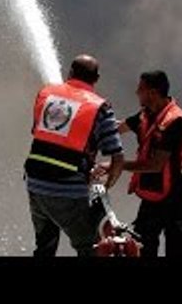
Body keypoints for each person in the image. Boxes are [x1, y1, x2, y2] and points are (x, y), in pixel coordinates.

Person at [24, 54, 124, 256]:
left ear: (70, 72)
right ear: (96, 79)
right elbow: (117, 158)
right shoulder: (100, 107)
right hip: (66, 189)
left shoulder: (46, 93)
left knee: (45, 247)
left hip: (34, 184)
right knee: (91, 247)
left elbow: (39, 132)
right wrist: (105, 185)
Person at [118, 70, 182, 257]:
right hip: (153, 194)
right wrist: (95, 129)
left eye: (141, 89)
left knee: (176, 248)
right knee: (142, 245)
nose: (137, 92)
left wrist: (117, 165)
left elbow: (155, 165)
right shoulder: (146, 114)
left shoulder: (177, 122)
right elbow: (120, 127)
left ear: (153, 93)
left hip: (178, 197)